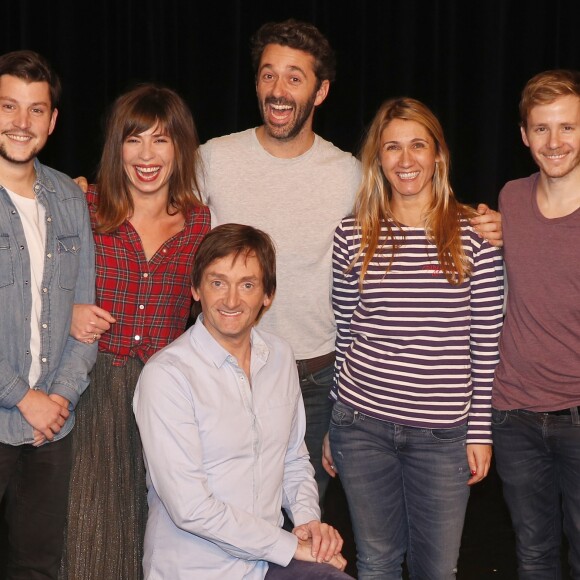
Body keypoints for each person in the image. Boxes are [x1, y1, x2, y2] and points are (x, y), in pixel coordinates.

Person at [197, 18, 503, 504]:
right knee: (224, 510)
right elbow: (154, 207)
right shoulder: (212, 159)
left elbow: (411, 206)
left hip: (317, 377)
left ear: (320, 93)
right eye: (268, 74)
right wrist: (87, 193)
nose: (279, 90)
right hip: (228, 370)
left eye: (295, 78)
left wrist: (476, 219)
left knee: (303, 518)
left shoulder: (348, 175)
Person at [323, 98, 504, 579]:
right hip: (361, 427)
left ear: (438, 155)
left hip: (443, 435)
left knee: (436, 570)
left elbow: (486, 343)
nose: (406, 160)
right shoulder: (351, 234)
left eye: (418, 145)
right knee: (378, 562)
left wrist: (480, 431)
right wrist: (333, 420)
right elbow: (346, 331)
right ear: (378, 159)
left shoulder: (475, 236)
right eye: (393, 147)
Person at [133, 223, 351, 579]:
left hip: (265, 564)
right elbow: (191, 508)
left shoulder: (280, 357)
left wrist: (309, 523)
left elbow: (293, 460)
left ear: (268, 295)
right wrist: (292, 547)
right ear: (196, 289)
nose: (231, 300)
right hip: (196, 569)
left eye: (247, 285)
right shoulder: (167, 375)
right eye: (218, 282)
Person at [60, 85, 210, 580]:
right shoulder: (83, 205)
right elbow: (31, 289)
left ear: (180, 148)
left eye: (161, 140)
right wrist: (68, 311)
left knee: (157, 532)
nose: (147, 155)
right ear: (115, 147)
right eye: (134, 140)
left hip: (165, 395)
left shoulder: (199, 222)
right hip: (92, 387)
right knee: (88, 529)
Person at [0, 50, 97, 579]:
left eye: (36, 110)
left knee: (36, 566)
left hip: (51, 430)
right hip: (12, 406)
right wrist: (24, 398)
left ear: (53, 121)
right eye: (8, 107)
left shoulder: (69, 198)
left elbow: (86, 314)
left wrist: (58, 398)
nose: (21, 123)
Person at [491, 69, 580, 578]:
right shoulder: (511, 199)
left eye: (567, 127)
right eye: (542, 129)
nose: (554, 142)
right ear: (525, 135)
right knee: (533, 554)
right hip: (515, 415)